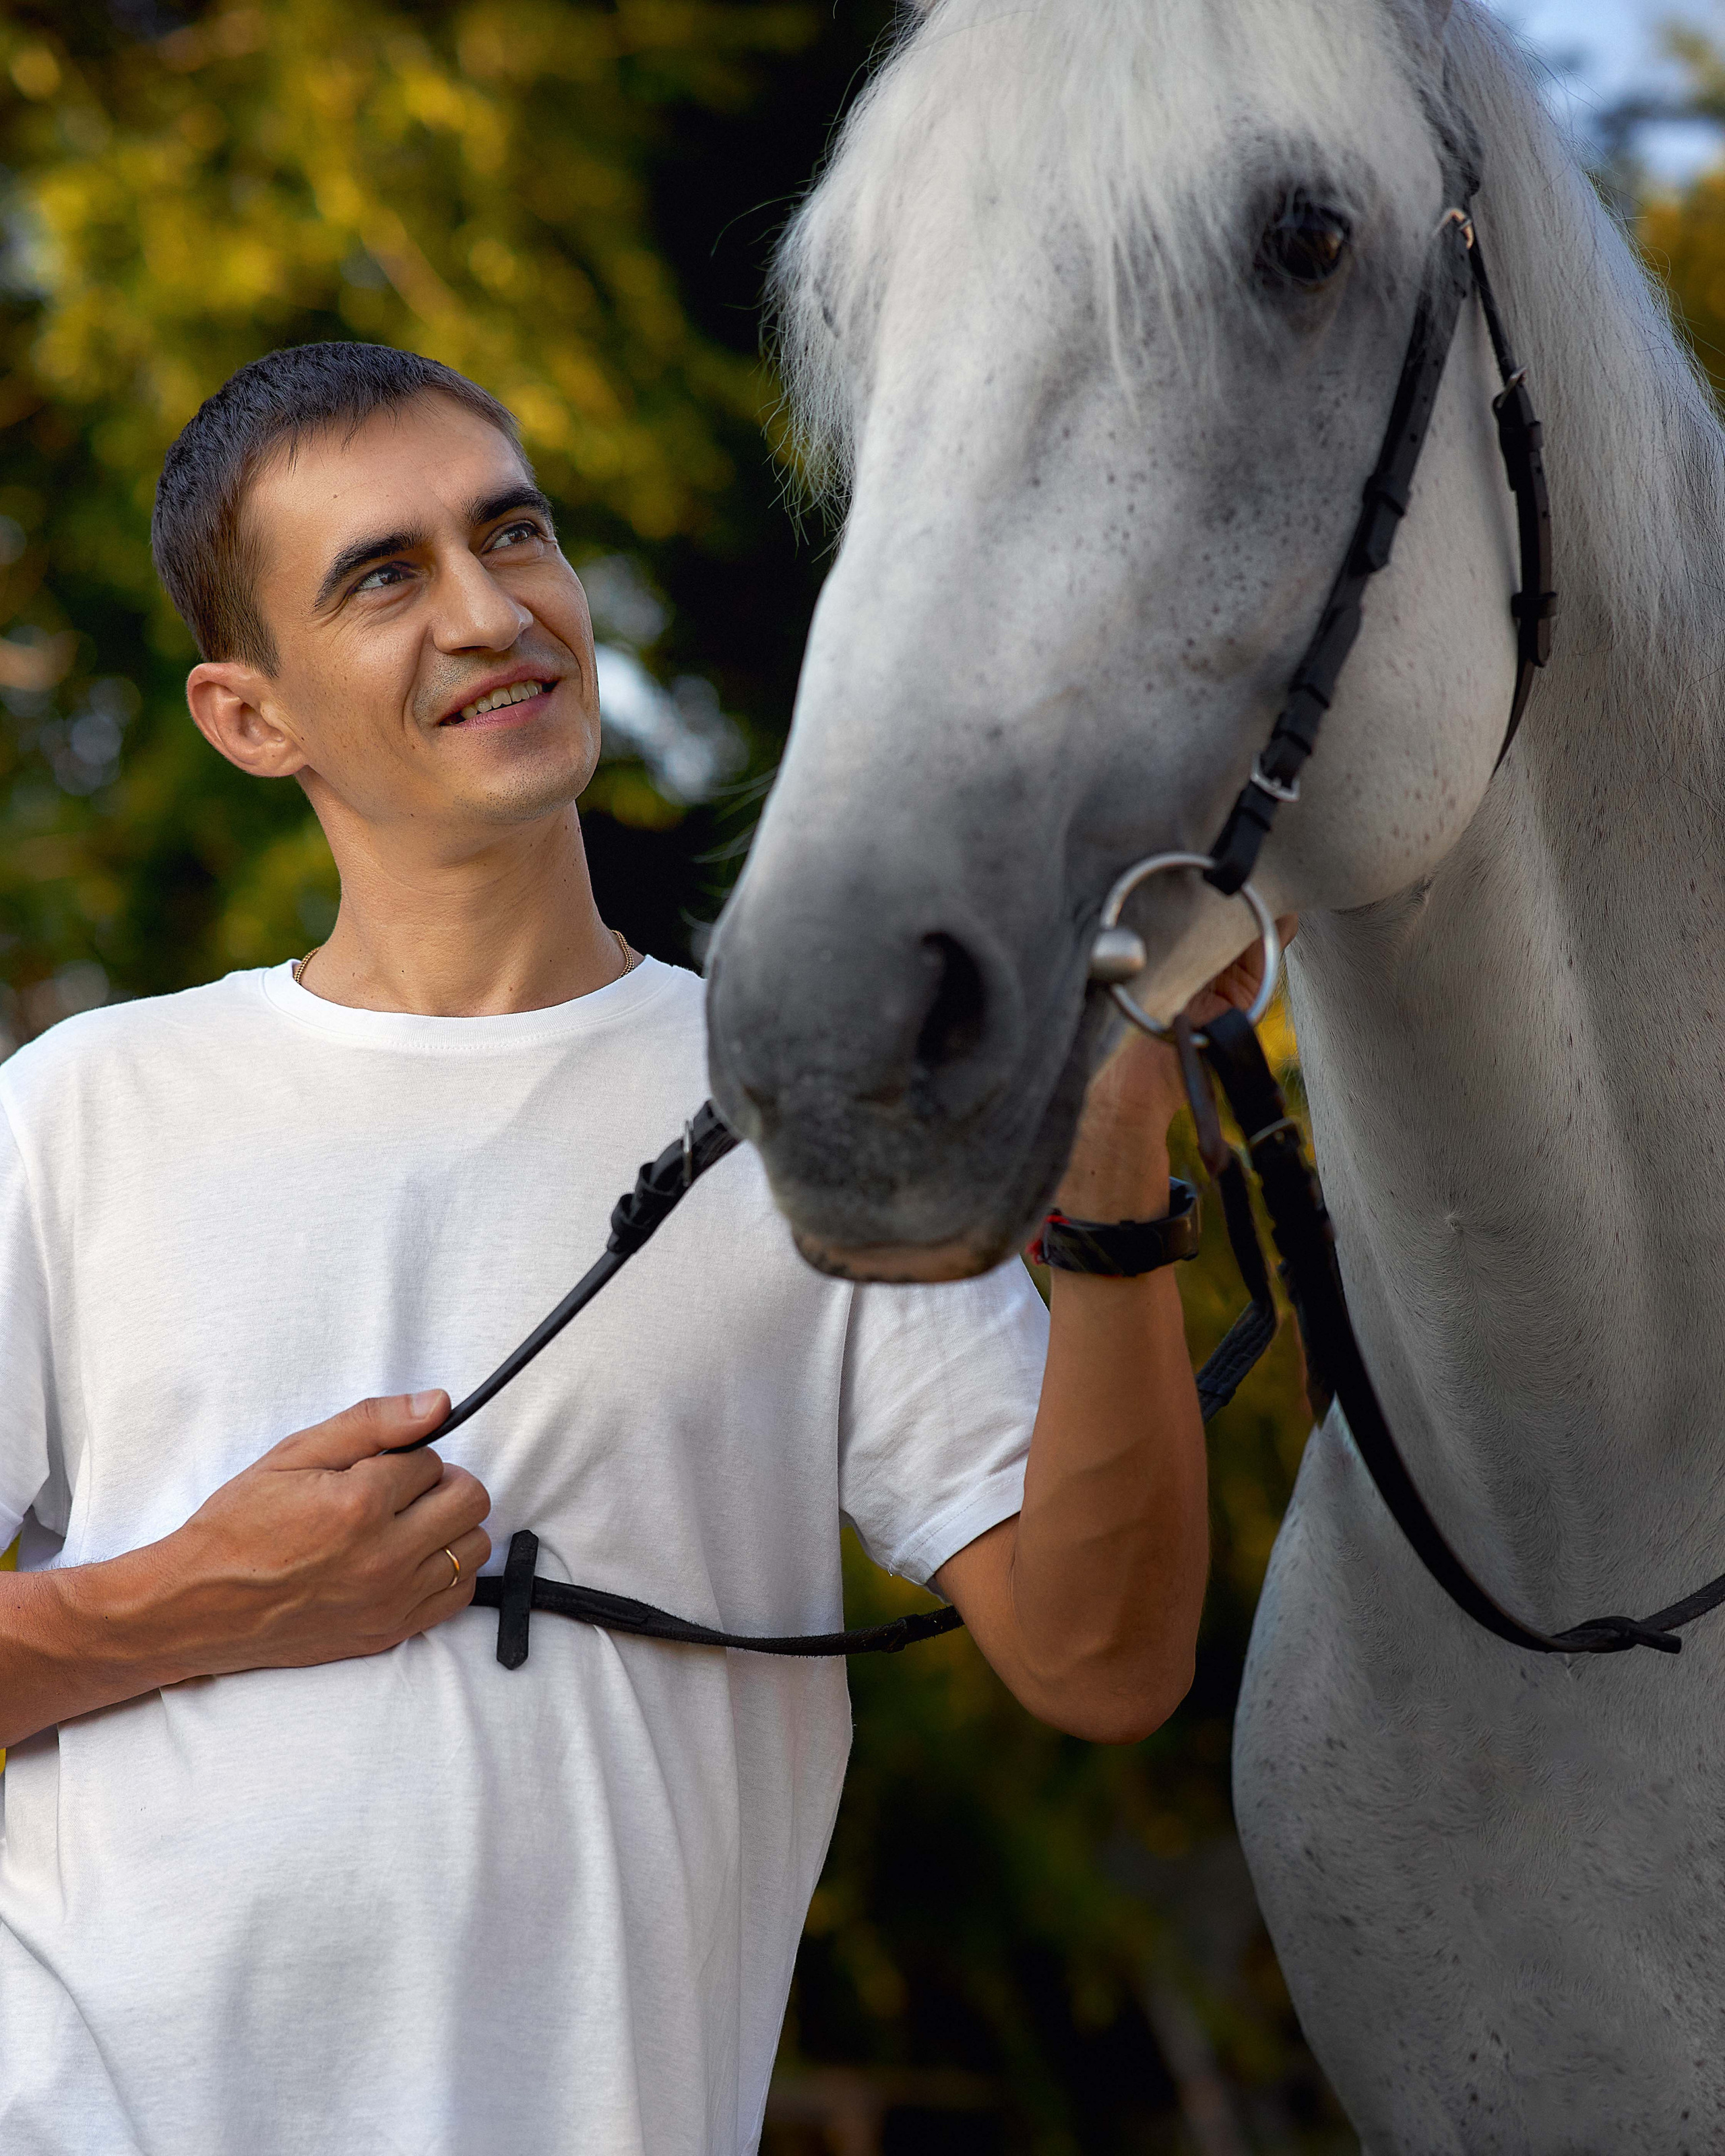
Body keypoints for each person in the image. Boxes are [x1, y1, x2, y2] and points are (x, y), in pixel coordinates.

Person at [0, 345, 1243, 2154]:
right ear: (248, 716)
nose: (492, 612)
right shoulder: (79, 1107)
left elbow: (1103, 1660)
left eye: (515, 537)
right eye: (385, 576)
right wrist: (198, 1597)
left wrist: (1117, 1169)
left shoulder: (814, 1106)